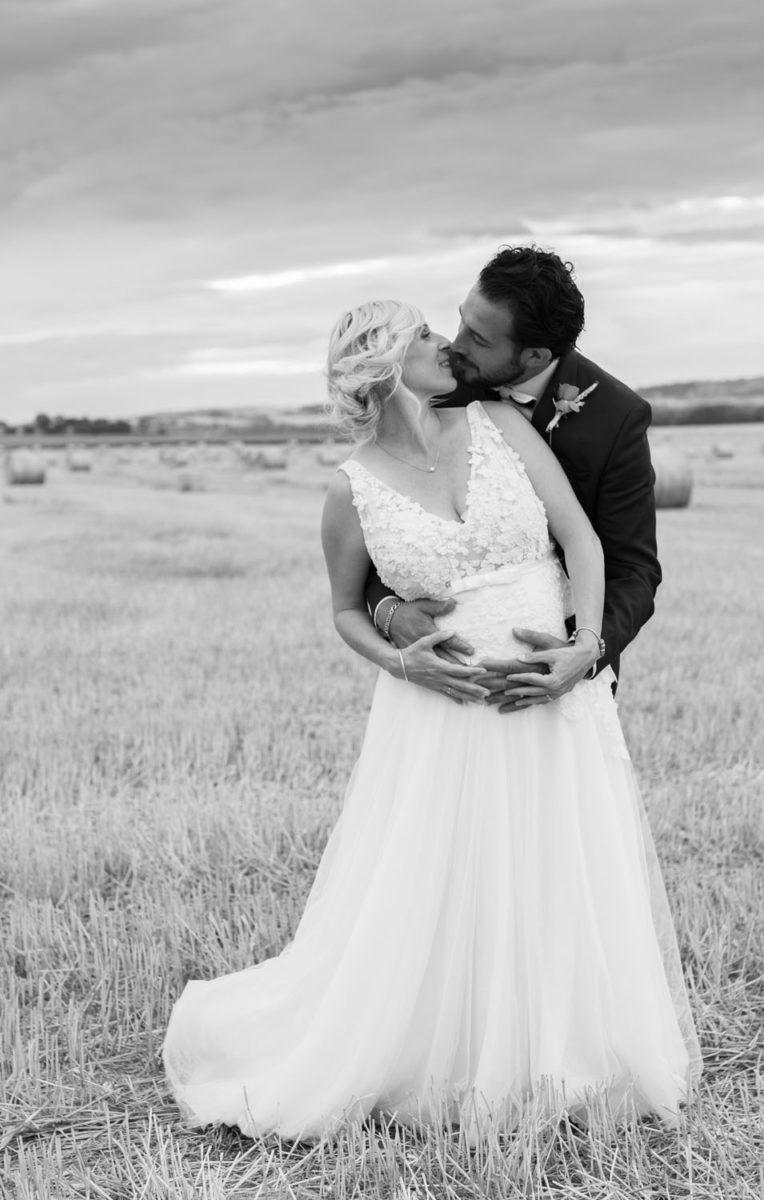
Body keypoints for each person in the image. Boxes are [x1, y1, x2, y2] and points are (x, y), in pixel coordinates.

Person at [162, 299, 701, 1142]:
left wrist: (583, 648)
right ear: (383, 366)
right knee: (443, 876)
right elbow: (345, 610)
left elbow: (586, 544)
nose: (445, 343)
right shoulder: (350, 489)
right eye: (422, 335)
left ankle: (563, 1058)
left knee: (562, 865)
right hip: (438, 711)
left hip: (551, 692)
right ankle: (440, 1052)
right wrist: (399, 658)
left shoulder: (497, 424)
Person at [366, 245, 661, 710]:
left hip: (558, 678)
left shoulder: (617, 418)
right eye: (461, 319)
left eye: (479, 339)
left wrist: (585, 651)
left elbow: (635, 569)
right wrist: (389, 611)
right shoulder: (433, 389)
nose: (454, 344)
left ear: (535, 355)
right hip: (444, 682)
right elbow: (382, 523)